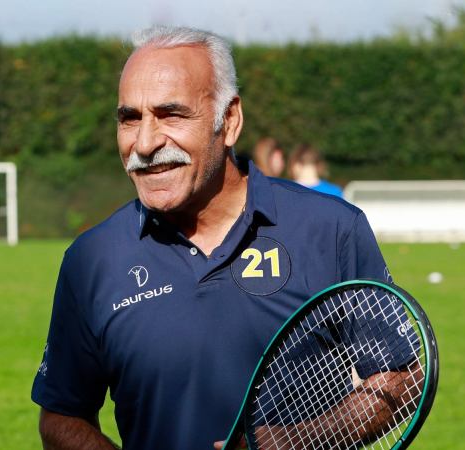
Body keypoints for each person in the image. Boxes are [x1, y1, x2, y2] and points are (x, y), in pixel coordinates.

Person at [32, 26, 408, 450]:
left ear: (229, 121)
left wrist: (295, 441)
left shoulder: (331, 229)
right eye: (130, 118)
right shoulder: (92, 259)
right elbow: (61, 417)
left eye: (171, 114)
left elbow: (401, 376)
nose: (145, 143)